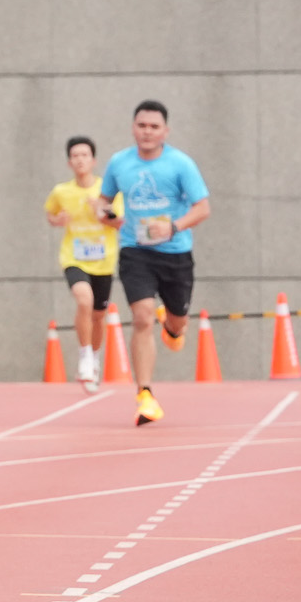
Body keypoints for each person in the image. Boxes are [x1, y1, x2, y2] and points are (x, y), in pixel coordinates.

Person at [98, 98, 211, 426]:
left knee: (177, 323)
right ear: (133, 128)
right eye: (142, 125)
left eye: (154, 126)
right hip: (135, 251)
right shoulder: (119, 163)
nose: (147, 132)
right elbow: (104, 201)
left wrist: (173, 227)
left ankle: (172, 327)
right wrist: (105, 213)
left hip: (175, 253)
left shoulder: (180, 164)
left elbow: (203, 208)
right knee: (142, 317)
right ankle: (145, 395)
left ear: (165, 131)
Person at [43, 133, 115, 391]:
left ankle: (94, 359)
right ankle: (84, 356)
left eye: (85, 155)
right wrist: (58, 220)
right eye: (75, 156)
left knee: (98, 316)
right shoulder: (61, 191)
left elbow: (119, 221)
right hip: (74, 257)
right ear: (69, 162)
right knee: (84, 300)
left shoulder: (107, 190)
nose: (80, 160)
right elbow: (50, 214)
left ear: (93, 160)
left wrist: (101, 212)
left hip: (103, 260)